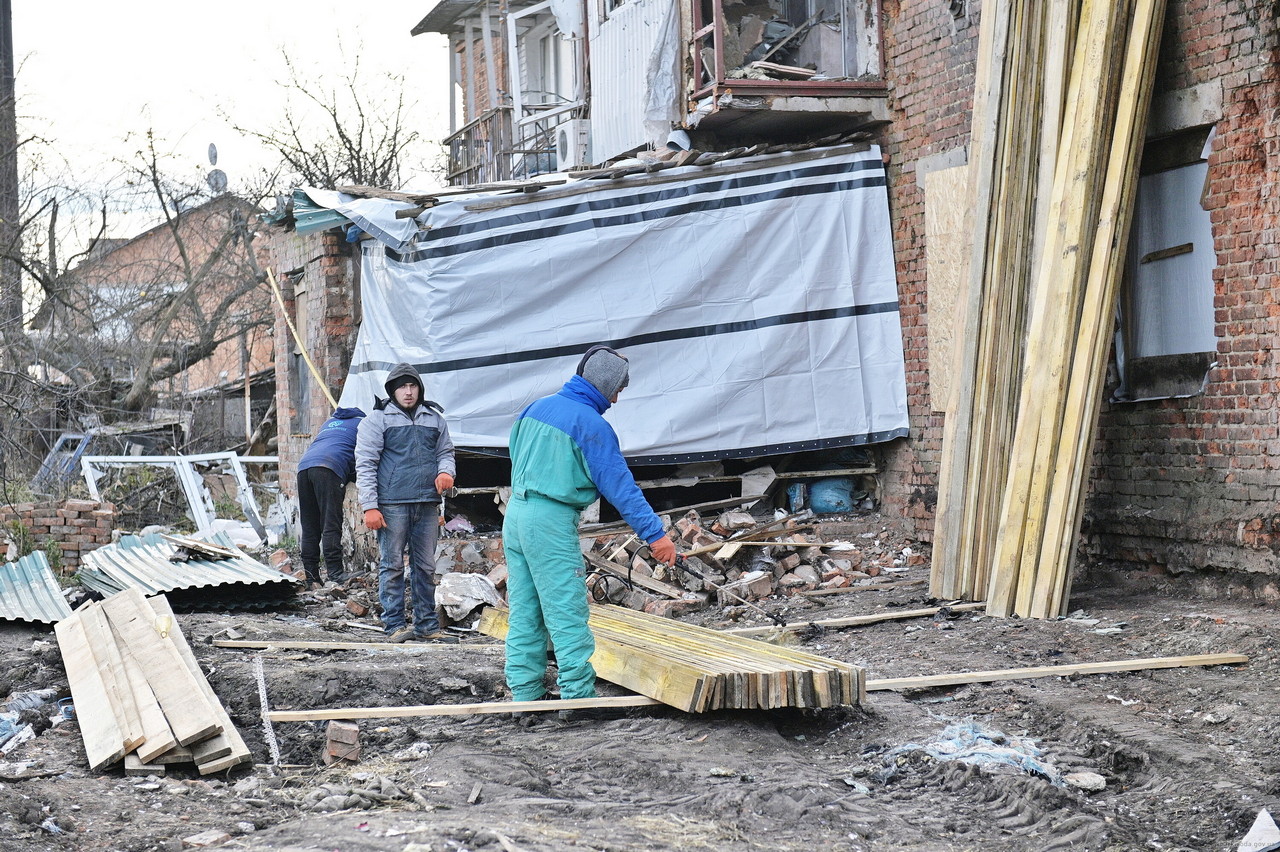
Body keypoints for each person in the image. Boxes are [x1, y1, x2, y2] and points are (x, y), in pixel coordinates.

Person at [503, 345, 677, 705]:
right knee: (566, 611)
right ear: (604, 384)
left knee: (526, 610)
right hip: (549, 520)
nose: (616, 399)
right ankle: (578, 700)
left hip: (516, 514)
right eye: (617, 390)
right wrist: (655, 535)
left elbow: (516, 452)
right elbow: (621, 488)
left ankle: (524, 695)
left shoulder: (537, 407)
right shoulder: (591, 425)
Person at [355, 363, 458, 643]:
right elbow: (365, 464)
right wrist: (370, 506)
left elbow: (445, 452)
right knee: (393, 566)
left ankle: (427, 625)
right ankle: (395, 626)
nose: (408, 392)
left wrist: (446, 471)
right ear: (392, 390)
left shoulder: (434, 419)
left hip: (426, 503)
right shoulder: (377, 420)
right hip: (392, 504)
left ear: (419, 389)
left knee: (425, 566)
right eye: (402, 387)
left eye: (412, 386)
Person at [296, 406, 366, 589]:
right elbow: (365, 457)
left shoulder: (329, 423)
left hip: (304, 468)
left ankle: (312, 578)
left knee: (310, 525)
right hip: (329, 468)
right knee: (330, 523)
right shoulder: (363, 424)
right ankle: (335, 573)